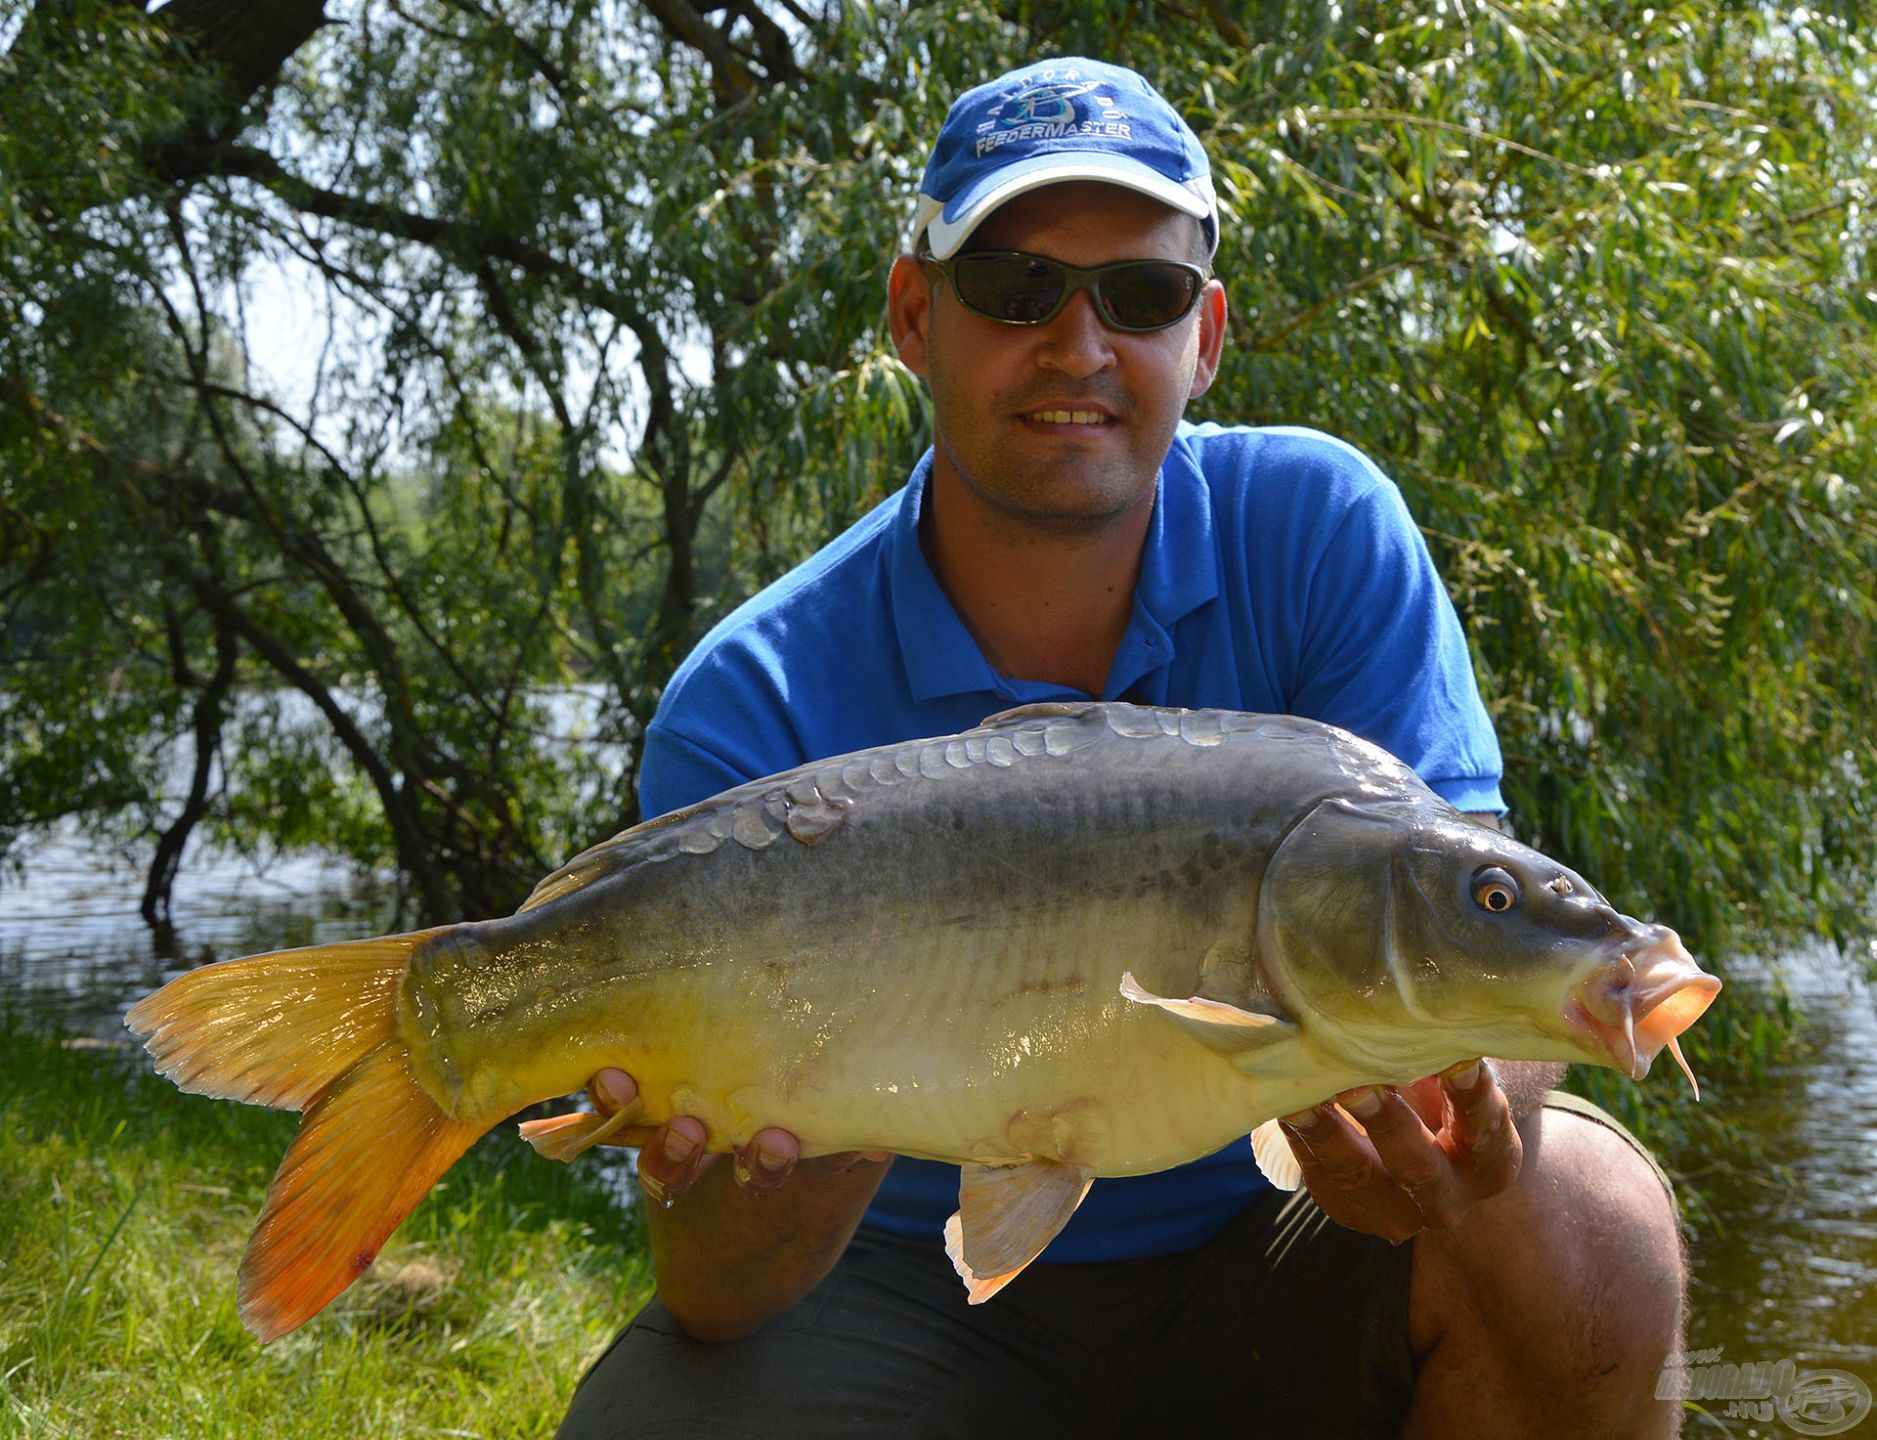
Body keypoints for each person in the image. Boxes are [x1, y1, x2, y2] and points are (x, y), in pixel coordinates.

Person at [556, 58, 1686, 1439]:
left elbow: (1462, 903)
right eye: (1016, 288)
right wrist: (796, 1128)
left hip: (1261, 1247)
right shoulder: (751, 702)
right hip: (899, 1289)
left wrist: (1452, 1130)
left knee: (1594, 1225)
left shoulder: (1319, 529)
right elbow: (719, 1295)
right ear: (915, 315)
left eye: (1138, 297)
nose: (1079, 346)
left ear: (1202, 337)